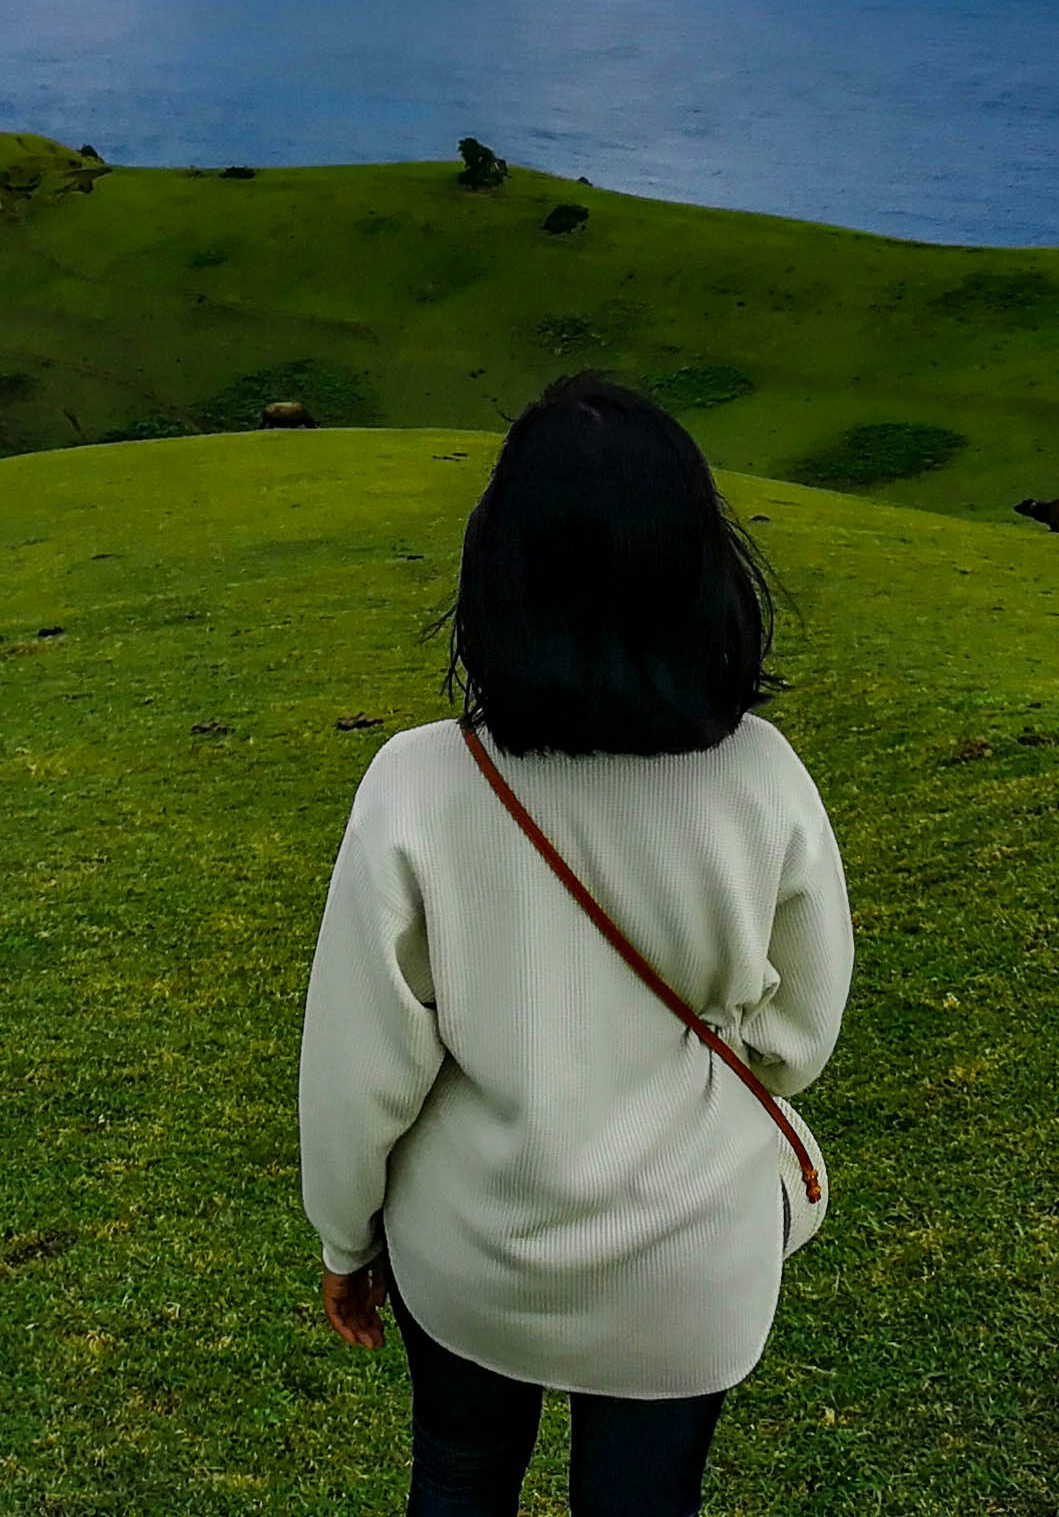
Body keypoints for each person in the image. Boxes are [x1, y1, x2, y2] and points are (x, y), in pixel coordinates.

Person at [299, 371, 854, 1517]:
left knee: (457, 1480)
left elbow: (361, 1067)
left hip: (473, 1247)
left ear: (498, 571)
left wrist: (343, 1239)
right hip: (688, 1250)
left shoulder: (418, 783)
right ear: (700, 571)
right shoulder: (762, 778)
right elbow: (797, 1034)